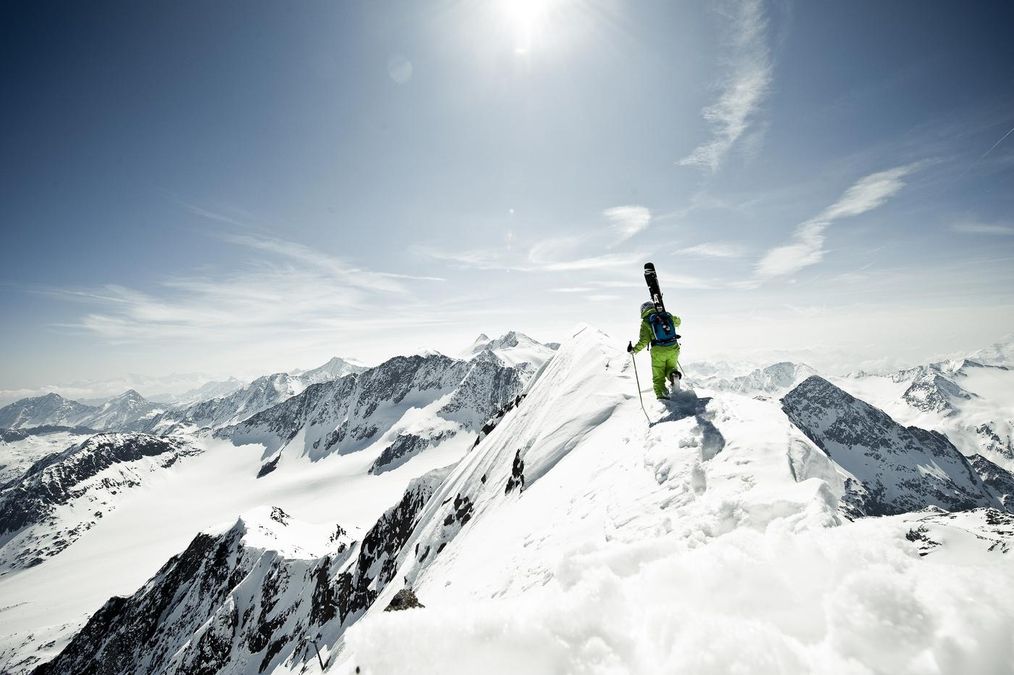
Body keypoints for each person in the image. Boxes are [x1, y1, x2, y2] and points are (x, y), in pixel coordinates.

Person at [627, 301, 682, 400]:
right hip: (673, 347)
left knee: (658, 375)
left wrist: (634, 350)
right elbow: (678, 321)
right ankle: (673, 375)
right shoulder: (665, 315)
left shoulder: (646, 321)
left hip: (658, 351)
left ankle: (662, 395)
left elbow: (644, 340)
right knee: (671, 367)